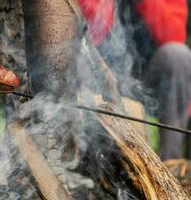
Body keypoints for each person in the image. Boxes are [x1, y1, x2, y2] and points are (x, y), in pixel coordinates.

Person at [78, 0, 191, 160]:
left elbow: (172, 35)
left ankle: (171, 165)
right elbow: (90, 30)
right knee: (77, 58)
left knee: (178, 56)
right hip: (99, 75)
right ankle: (83, 159)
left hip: (147, 82)